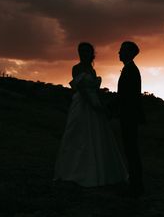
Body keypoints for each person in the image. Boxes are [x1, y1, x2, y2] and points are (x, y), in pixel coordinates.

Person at [54, 42, 128, 187]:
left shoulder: (92, 71)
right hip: (82, 105)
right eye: (81, 51)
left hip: (94, 104)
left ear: (91, 53)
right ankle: (74, 171)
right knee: (78, 135)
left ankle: (96, 170)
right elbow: (80, 89)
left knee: (97, 136)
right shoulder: (76, 68)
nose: (84, 54)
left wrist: (100, 105)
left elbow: (95, 91)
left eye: (87, 51)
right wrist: (92, 104)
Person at [117, 41, 145, 197]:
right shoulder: (130, 69)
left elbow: (126, 97)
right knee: (130, 150)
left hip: (129, 117)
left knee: (131, 150)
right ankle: (135, 184)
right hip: (129, 116)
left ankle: (136, 186)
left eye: (121, 50)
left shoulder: (131, 70)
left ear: (128, 52)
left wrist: (109, 109)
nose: (118, 53)